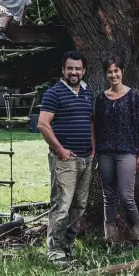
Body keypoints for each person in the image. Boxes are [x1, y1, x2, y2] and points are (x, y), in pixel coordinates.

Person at [37, 50, 95, 264]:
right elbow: (43, 124)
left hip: (86, 158)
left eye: (77, 68)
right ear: (63, 70)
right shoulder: (54, 93)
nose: (74, 72)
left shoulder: (88, 93)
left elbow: (90, 122)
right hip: (64, 159)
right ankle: (54, 250)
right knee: (62, 204)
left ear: (83, 71)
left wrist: (93, 148)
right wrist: (60, 150)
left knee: (79, 205)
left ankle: (67, 245)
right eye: (70, 68)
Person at [94, 56, 139, 248]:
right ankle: (111, 240)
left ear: (122, 72)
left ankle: (136, 239)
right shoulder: (101, 99)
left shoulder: (135, 96)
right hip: (105, 153)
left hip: (127, 153)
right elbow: (96, 127)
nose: (113, 75)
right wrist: (95, 152)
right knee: (108, 197)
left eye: (116, 71)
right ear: (106, 74)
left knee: (126, 197)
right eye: (109, 72)